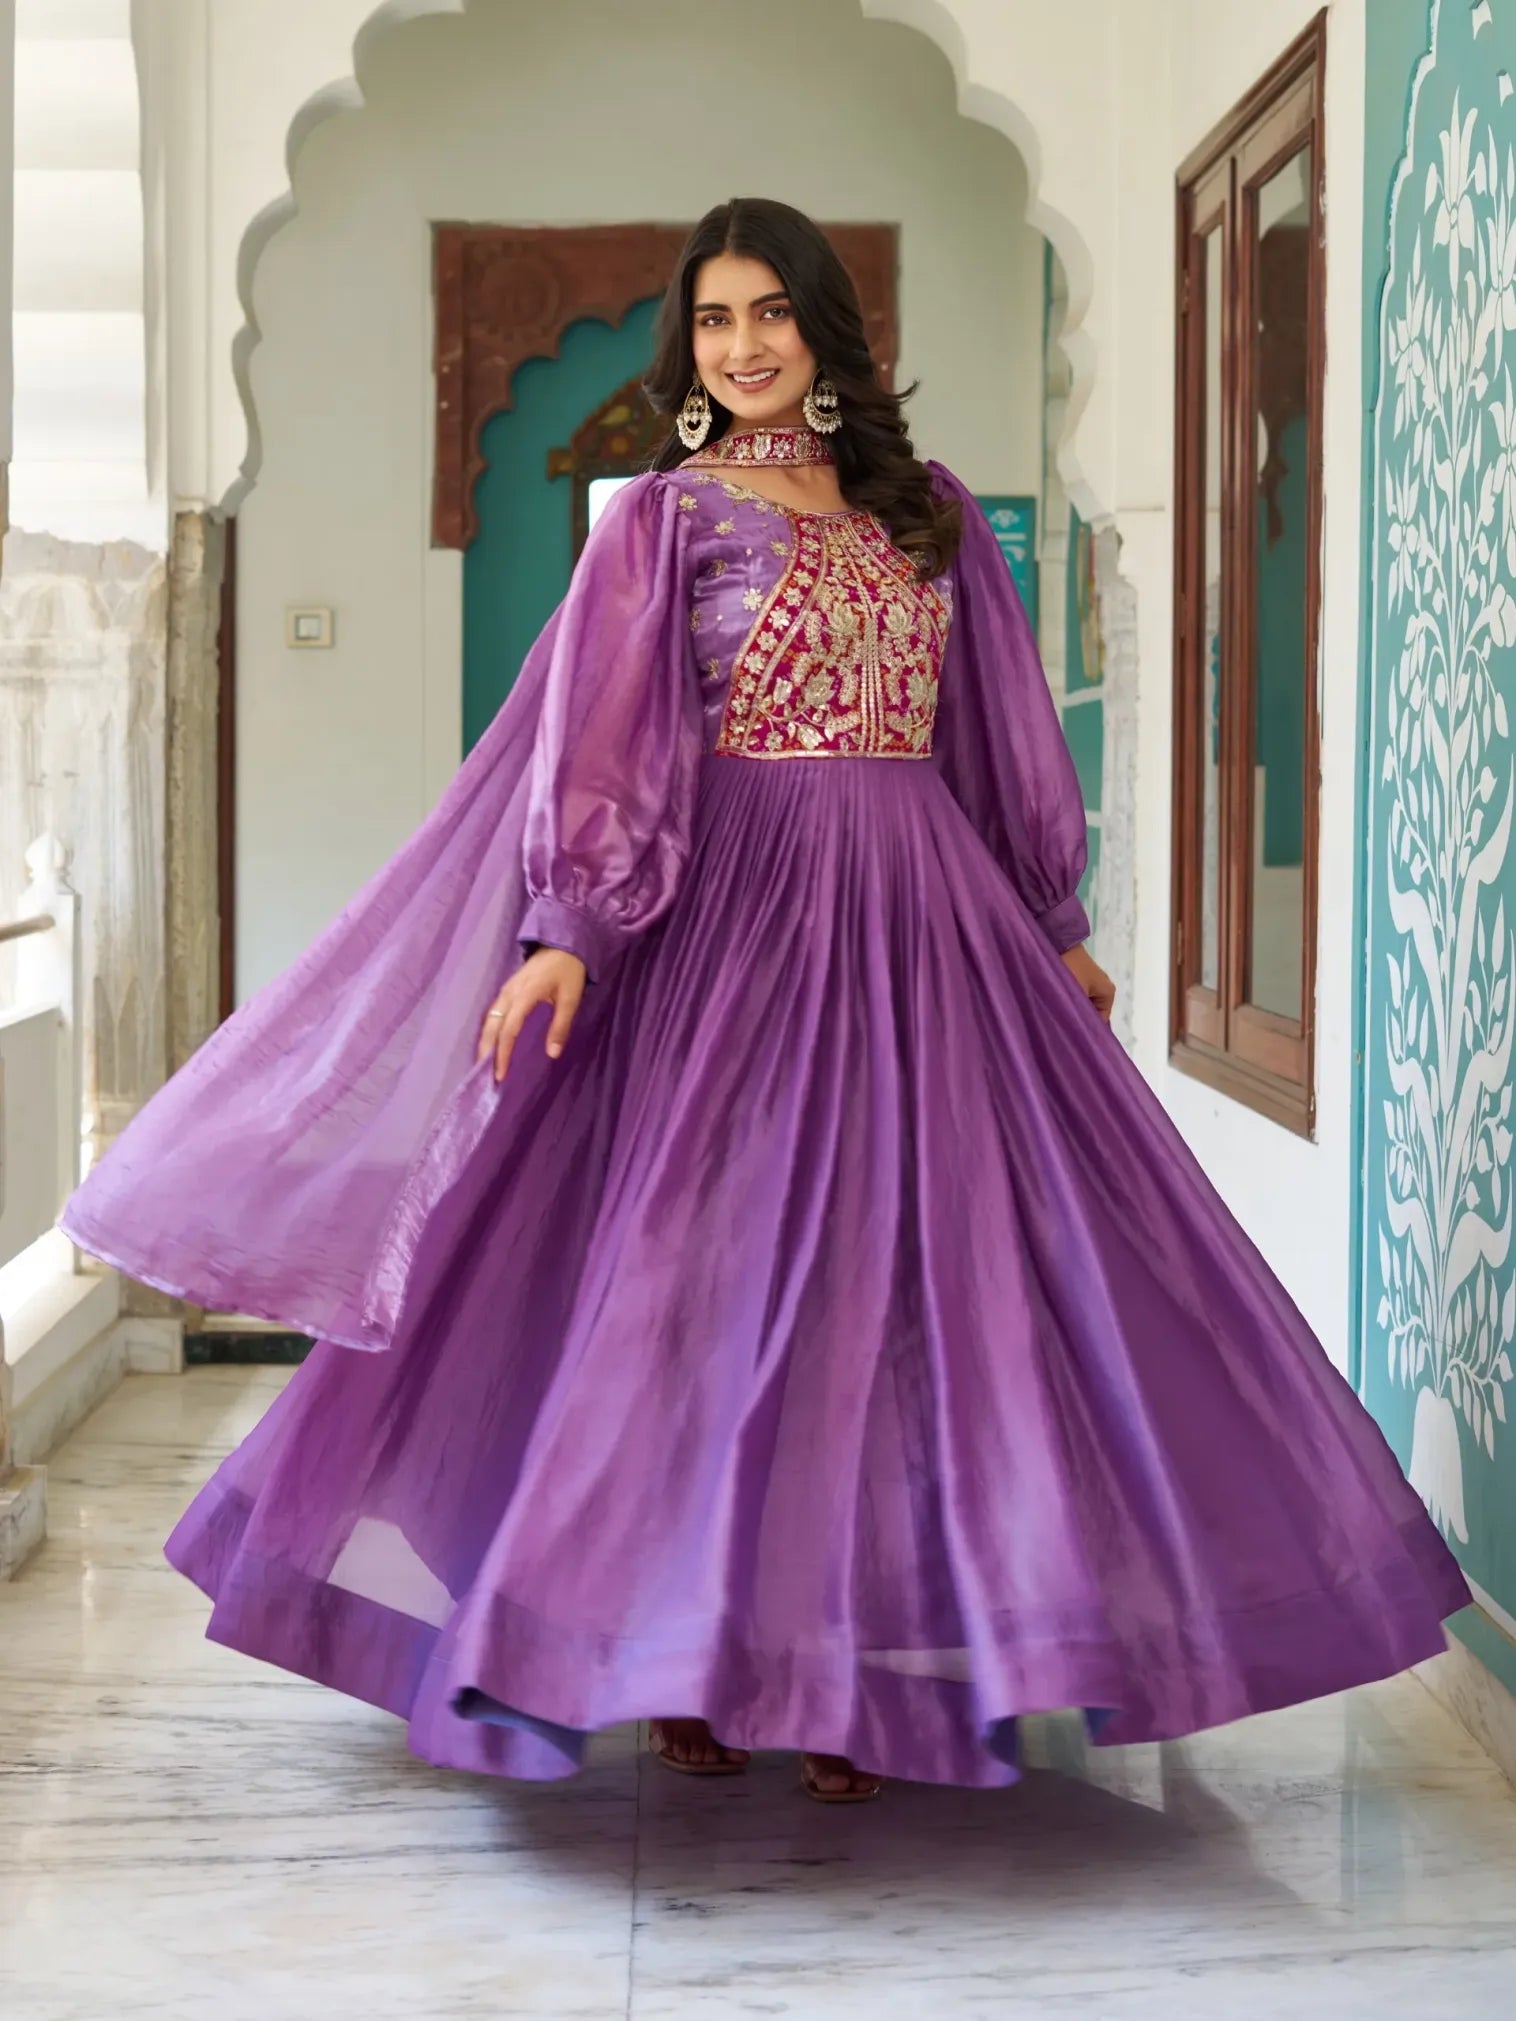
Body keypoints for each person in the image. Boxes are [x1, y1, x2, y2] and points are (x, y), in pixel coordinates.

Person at [60, 197, 1467, 1806]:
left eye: (771, 313)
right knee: (704, 1289)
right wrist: (569, 930)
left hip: (928, 935)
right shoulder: (663, 522)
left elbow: (996, 732)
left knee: (908, 1287)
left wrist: (1049, 916)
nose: (742, 346)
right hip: (730, 933)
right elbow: (611, 738)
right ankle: (681, 1654)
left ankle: (848, 1665)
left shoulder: (929, 511)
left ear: (825, 329)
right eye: (715, 320)